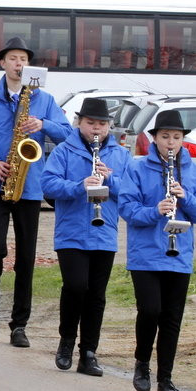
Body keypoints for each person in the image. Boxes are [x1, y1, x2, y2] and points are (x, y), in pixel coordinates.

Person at [0, 37, 72, 347]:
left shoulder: (42, 98)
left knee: (26, 258)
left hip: (29, 186)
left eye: (23, 59)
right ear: (2, 63)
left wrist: (42, 123)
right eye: (13, 58)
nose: (18, 63)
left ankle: (20, 324)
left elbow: (67, 133)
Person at [118, 110, 196, 391]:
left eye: (176, 137)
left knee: (172, 317)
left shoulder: (195, 173)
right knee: (150, 310)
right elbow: (126, 208)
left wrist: (186, 196)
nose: (171, 142)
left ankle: (166, 378)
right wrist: (153, 211)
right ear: (155, 139)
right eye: (165, 137)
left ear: (182, 140)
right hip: (145, 254)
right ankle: (142, 363)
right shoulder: (137, 169)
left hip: (179, 254)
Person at [41, 98, 131, 376]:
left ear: (109, 127)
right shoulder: (64, 150)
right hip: (71, 232)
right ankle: (67, 340)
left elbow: (131, 191)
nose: (96, 128)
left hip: (104, 231)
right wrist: (80, 186)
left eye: (102, 124)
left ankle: (88, 353)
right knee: (76, 286)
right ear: (79, 123)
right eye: (90, 122)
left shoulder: (120, 154)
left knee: (96, 295)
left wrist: (111, 180)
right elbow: (48, 184)